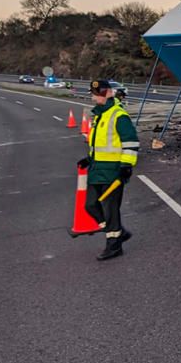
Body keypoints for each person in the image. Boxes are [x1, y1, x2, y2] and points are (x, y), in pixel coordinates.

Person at [77, 79, 140, 260]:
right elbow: (100, 144)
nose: (95, 96)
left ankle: (114, 245)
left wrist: (126, 166)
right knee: (90, 205)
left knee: (110, 210)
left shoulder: (118, 115)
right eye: (95, 93)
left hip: (113, 171)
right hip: (97, 170)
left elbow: (131, 142)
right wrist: (89, 159)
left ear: (108, 93)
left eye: (99, 93)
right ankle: (118, 233)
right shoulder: (99, 116)